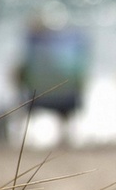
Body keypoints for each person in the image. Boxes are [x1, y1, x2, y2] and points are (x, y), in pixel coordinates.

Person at [14, 11, 89, 146]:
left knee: (17, 74)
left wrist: (19, 86)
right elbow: (79, 76)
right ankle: (67, 137)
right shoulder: (68, 47)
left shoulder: (33, 45)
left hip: (37, 98)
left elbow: (19, 74)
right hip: (67, 99)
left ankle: (22, 136)